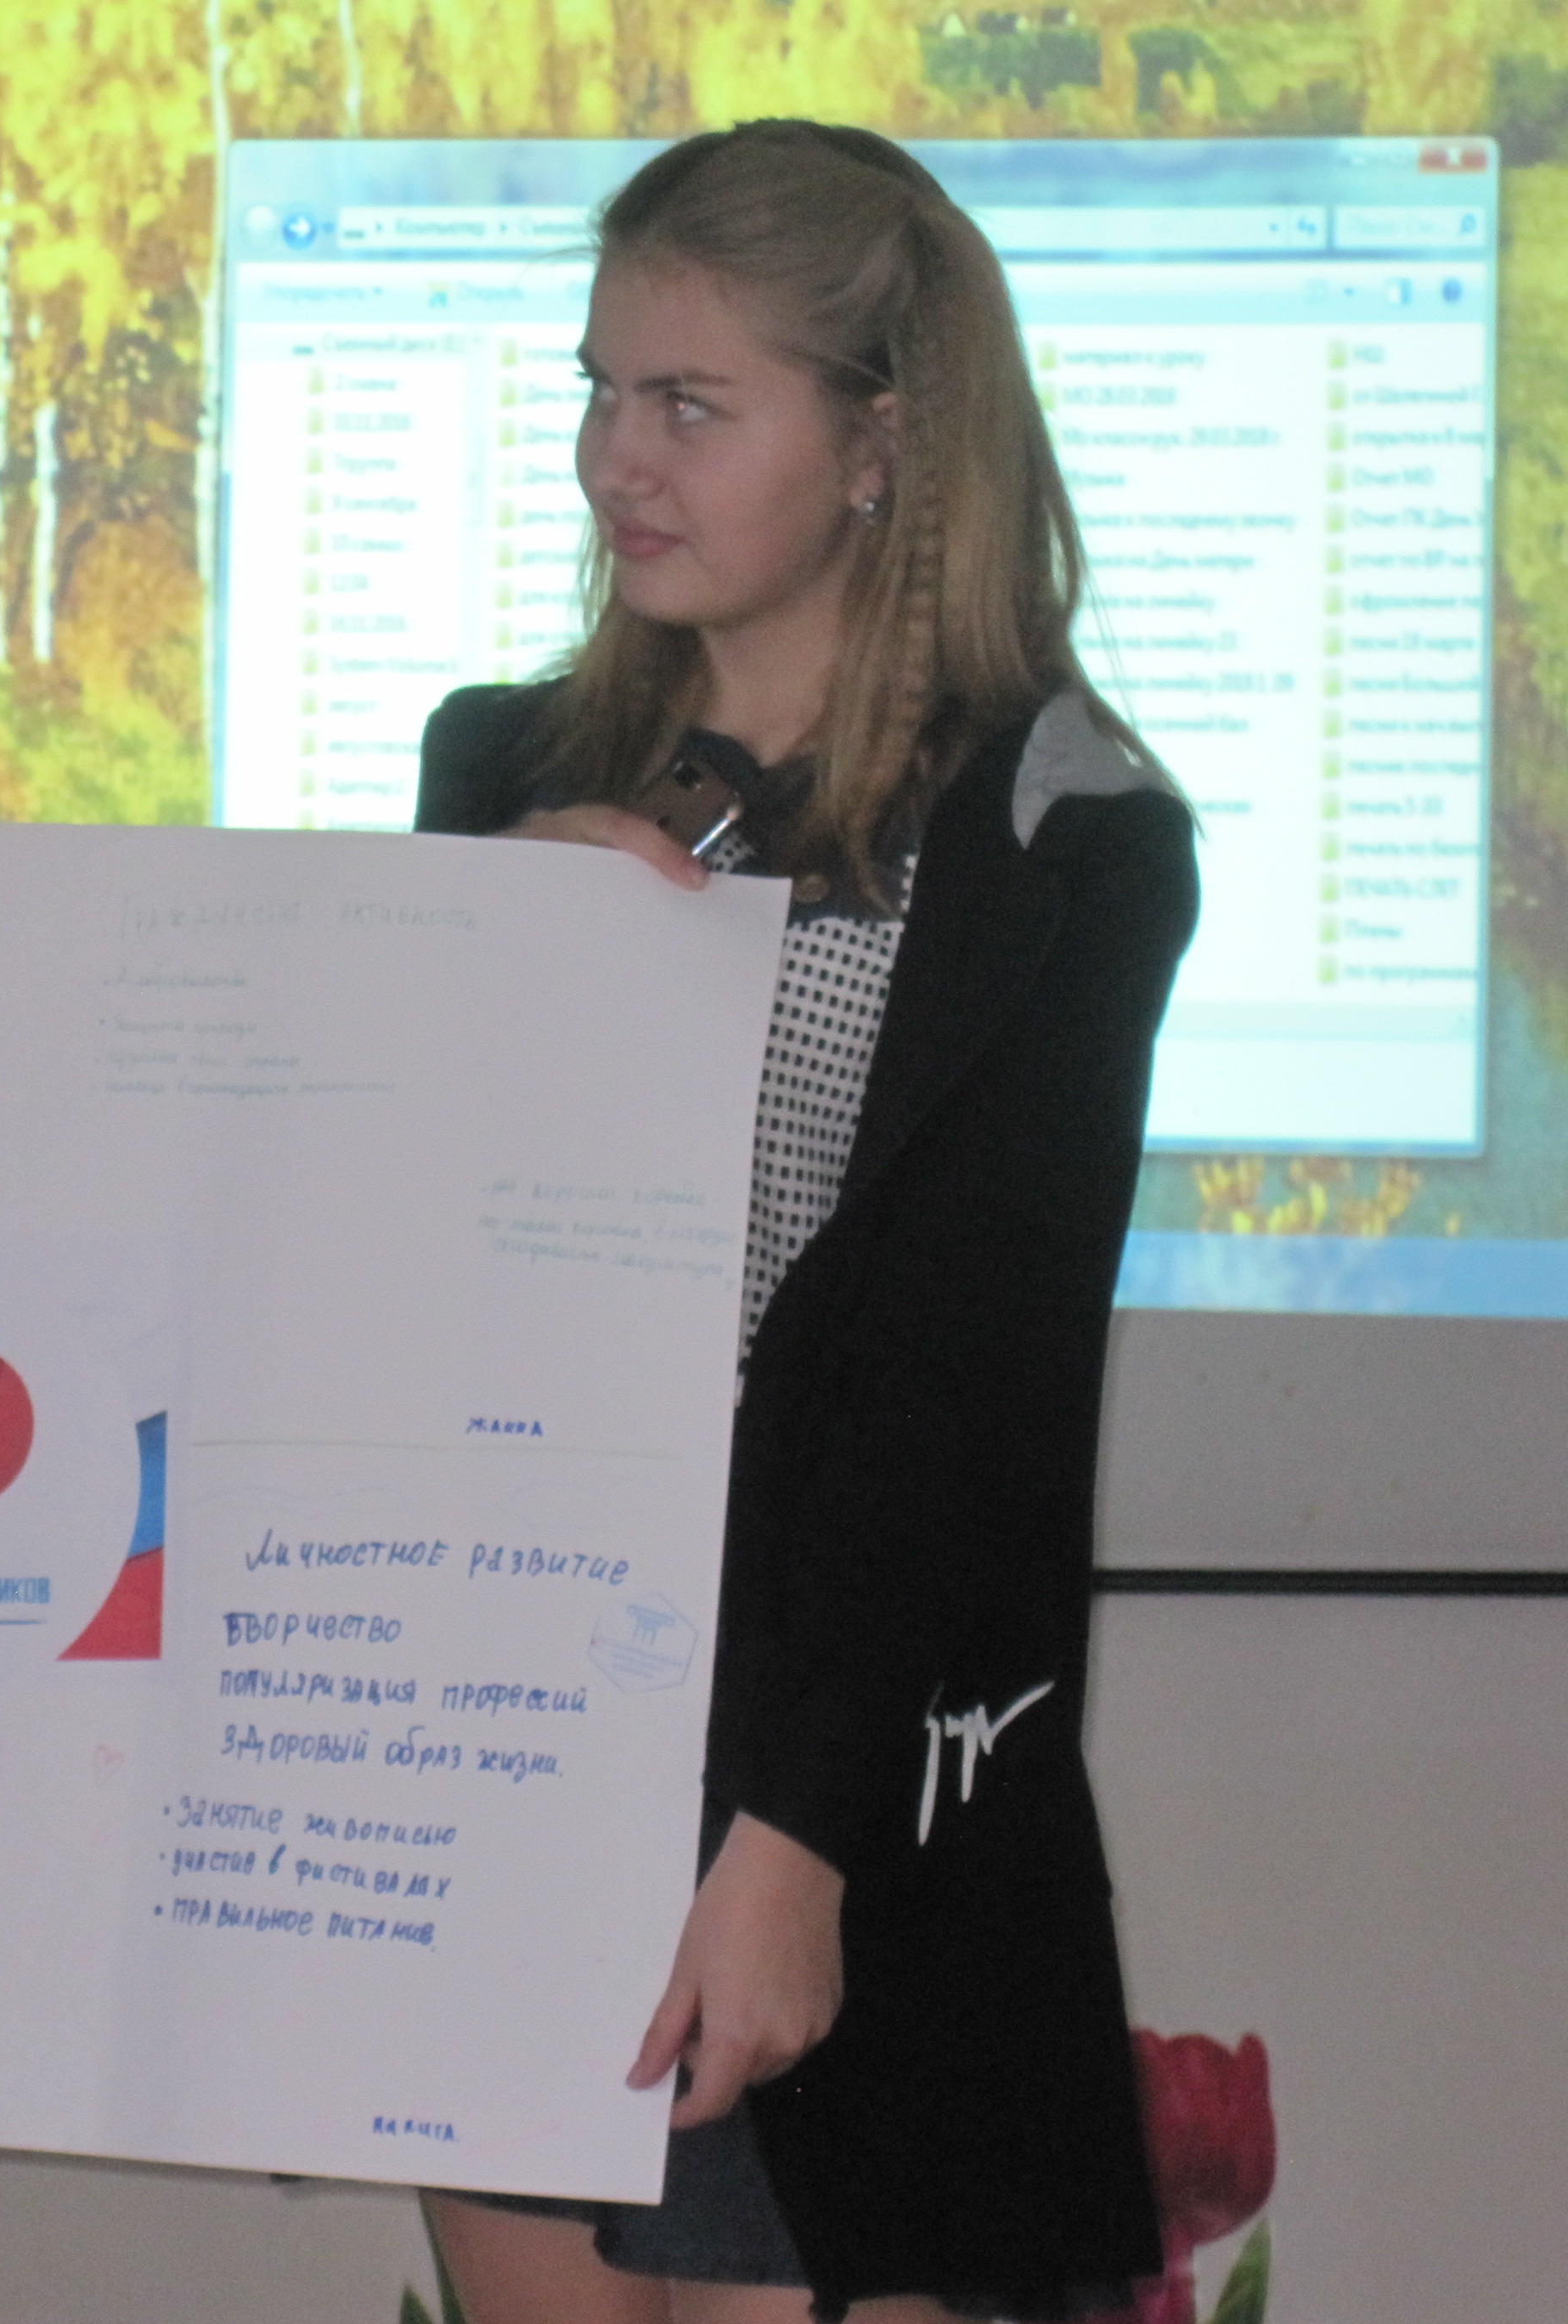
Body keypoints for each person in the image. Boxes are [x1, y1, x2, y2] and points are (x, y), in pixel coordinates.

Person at [415, 124, 1195, 2321]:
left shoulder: (1061, 834)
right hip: (514, 1746)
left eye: (689, 404)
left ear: (879, 442)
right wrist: (458, 966)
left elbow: (974, 1378)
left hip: (844, 1808)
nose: (614, 459)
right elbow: (386, 1281)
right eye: (597, 391)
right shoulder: (500, 769)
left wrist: (795, 1841)